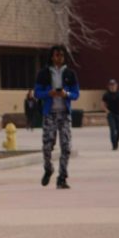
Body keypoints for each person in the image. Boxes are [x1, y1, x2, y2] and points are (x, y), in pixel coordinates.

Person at [34, 45, 80, 189]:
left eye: (61, 55)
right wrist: (49, 93)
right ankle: (48, 168)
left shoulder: (70, 74)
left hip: (64, 114)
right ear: (52, 56)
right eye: (56, 55)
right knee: (47, 146)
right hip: (50, 114)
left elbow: (76, 94)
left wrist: (66, 94)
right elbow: (36, 93)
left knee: (66, 146)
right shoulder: (44, 73)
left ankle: (62, 177)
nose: (59, 58)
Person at [102, 79, 119, 150]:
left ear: (116, 86)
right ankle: (114, 145)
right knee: (112, 130)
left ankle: (116, 142)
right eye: (111, 85)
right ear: (108, 86)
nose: (112, 87)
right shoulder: (106, 94)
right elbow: (103, 104)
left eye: (113, 85)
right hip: (111, 114)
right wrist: (106, 111)